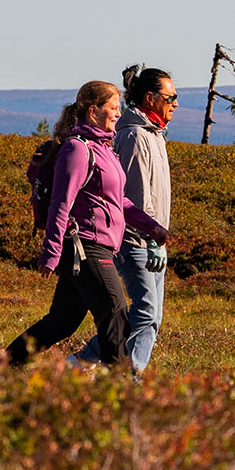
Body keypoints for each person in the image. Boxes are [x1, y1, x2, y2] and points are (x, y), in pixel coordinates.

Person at [4, 80, 168, 367]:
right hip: (83, 247)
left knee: (61, 322)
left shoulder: (104, 149)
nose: (119, 114)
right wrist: (52, 253)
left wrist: (152, 228)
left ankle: (1, 366)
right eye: (114, 108)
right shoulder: (76, 150)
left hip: (99, 246)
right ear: (94, 111)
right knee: (115, 311)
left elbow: (120, 202)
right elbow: (61, 203)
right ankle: (120, 388)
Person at [71, 65, 174, 373]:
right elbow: (127, 195)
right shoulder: (134, 137)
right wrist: (149, 237)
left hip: (152, 239)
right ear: (150, 98)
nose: (176, 104)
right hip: (135, 241)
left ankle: (80, 363)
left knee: (149, 316)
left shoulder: (154, 136)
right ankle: (129, 379)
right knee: (145, 313)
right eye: (171, 97)